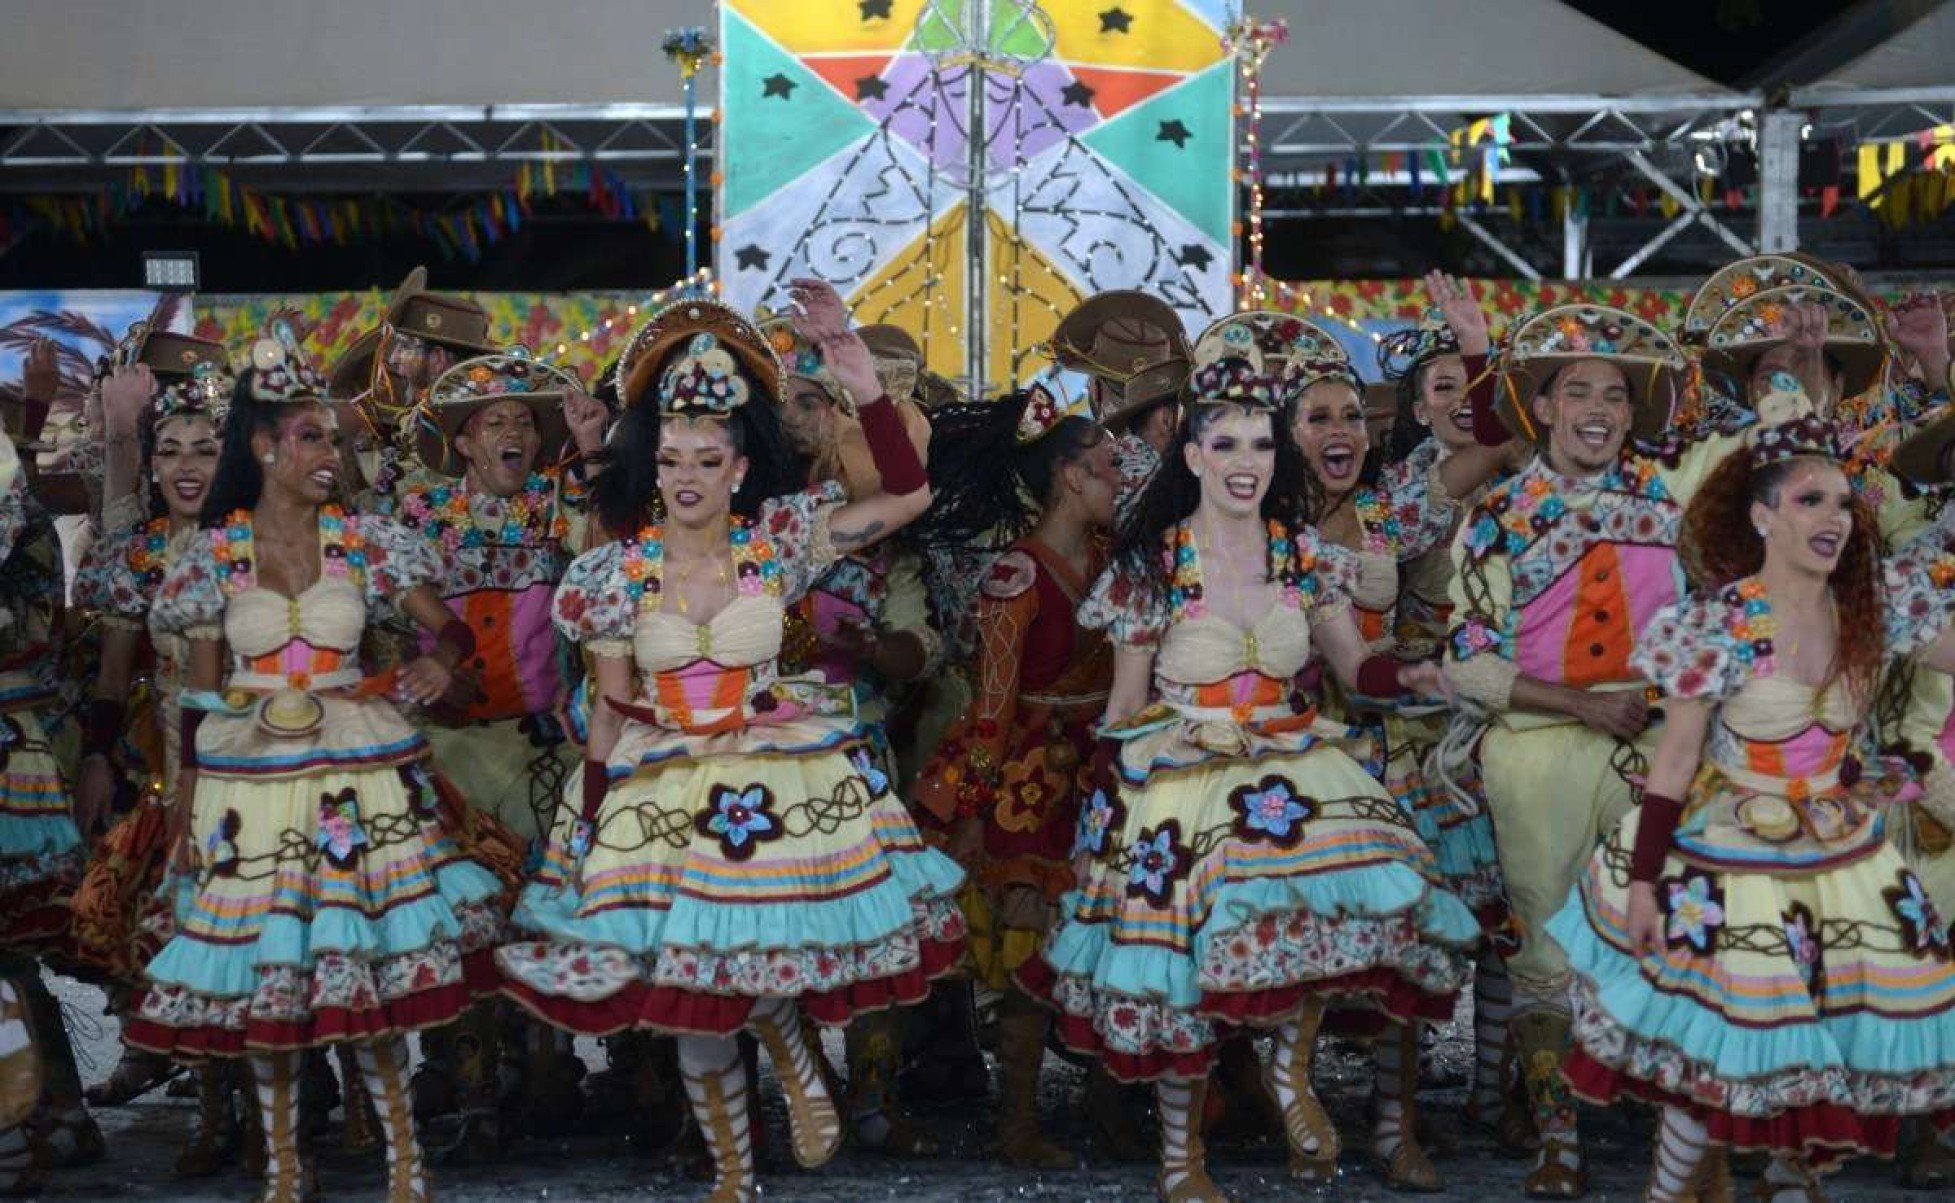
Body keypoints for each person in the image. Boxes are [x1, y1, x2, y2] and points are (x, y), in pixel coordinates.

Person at [495, 282, 964, 1202]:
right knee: (687, 995)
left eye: (706, 460)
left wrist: (857, 374)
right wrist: (590, 822)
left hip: (770, 776)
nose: (685, 477)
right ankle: (733, 1177)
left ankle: (786, 1034)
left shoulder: (780, 542)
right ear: (652, 460)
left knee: (751, 958)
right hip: (659, 782)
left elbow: (909, 495)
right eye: (671, 458)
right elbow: (609, 706)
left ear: (738, 469)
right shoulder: (610, 572)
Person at [1020, 310, 1479, 1203]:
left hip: (1291, 765)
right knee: (1184, 972)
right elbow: (1120, 707)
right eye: (1226, 441)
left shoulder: (1302, 554)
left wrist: (1426, 674)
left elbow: (1355, 667)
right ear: (1191, 455)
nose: (1246, 459)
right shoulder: (1149, 568)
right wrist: (1103, 814)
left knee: (1318, 919)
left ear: (1276, 458)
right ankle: (1180, 1161)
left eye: (1262, 444)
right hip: (1184, 778)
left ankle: (1287, 1072)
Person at [1548, 374, 1955, 1202]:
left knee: (1817, 1051)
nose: (1833, 518)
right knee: (1718, 1056)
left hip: (1840, 851)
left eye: (1842, 501)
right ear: (1763, 515)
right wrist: (1641, 882)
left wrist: (1893, 778)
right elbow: (1672, 764)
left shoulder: (1875, 605)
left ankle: (1782, 1187)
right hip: (1725, 857)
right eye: (1809, 500)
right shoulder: (1717, 623)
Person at [128, 320, 507, 1203]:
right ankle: (285, 1167)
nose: (330, 451)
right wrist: (184, 808)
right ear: (262, 446)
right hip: (249, 787)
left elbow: (448, 626)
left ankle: (403, 1161)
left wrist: (440, 660)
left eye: (335, 437)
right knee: (273, 981)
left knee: (361, 964)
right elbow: (201, 697)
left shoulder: (367, 542)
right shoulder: (213, 556)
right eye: (310, 436)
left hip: (355, 771)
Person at [1443, 302, 1747, 1197]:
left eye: (1614, 395)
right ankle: (1556, 1137)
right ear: (1542, 409)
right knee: (1543, 946)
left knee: (1683, 933)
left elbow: (1709, 619)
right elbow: (1466, 662)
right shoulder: (1495, 514)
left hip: (1662, 748)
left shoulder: (1668, 502)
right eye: (1577, 390)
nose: (1599, 408)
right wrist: (1578, 703)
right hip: (1535, 748)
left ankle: (1684, 1141)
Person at [1286, 295, 1514, 1189]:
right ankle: (1285, 1105)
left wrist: (1479, 347)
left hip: (1410, 748)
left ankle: (1400, 1119)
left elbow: (1499, 442)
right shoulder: (1247, 525)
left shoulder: (1389, 510)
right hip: (1295, 756)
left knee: (1430, 934)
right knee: (1303, 947)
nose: (1340, 430)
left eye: (1351, 414)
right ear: (1281, 434)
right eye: (1317, 417)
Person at [912, 385, 1144, 1168]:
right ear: (1071, 475)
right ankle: (1016, 1120)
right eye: (1112, 464)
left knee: (1116, 938)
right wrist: (973, 811)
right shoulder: (1013, 576)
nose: (1124, 478)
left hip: (1108, 763)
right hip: (1031, 776)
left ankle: (1110, 1109)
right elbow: (991, 709)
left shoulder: (1119, 559)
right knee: (1028, 951)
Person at [393, 349, 611, 1158]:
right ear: (464, 441)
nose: (515, 431)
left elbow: (617, 555)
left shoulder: (561, 508)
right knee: (463, 923)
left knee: (547, 917)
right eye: (497, 421)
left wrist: (591, 450)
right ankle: (474, 1088)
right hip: (445, 751)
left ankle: (550, 1074)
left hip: (540, 751)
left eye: (526, 420)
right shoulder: (415, 516)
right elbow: (383, 616)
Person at [760, 312, 944, 1158]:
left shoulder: (859, 538)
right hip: (744, 763)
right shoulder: (738, 531)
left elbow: (917, 647)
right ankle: (802, 1092)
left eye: (810, 403)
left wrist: (874, 648)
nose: (795, 419)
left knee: (869, 926)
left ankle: (873, 1094)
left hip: (850, 756)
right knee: (760, 929)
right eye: (784, 404)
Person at [69, 357, 251, 1178]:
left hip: (274, 771)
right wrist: (98, 757)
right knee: (189, 949)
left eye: (204, 448)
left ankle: (304, 1103)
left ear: (233, 457)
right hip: (179, 782)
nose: (185, 465)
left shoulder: (273, 549)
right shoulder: (137, 557)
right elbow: (112, 678)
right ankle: (215, 1112)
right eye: (170, 447)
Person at [0, 418, 101, 1192]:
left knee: (14, 936)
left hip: (10, 736)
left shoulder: (5, 488)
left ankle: (48, 1111)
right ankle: (51, 1110)